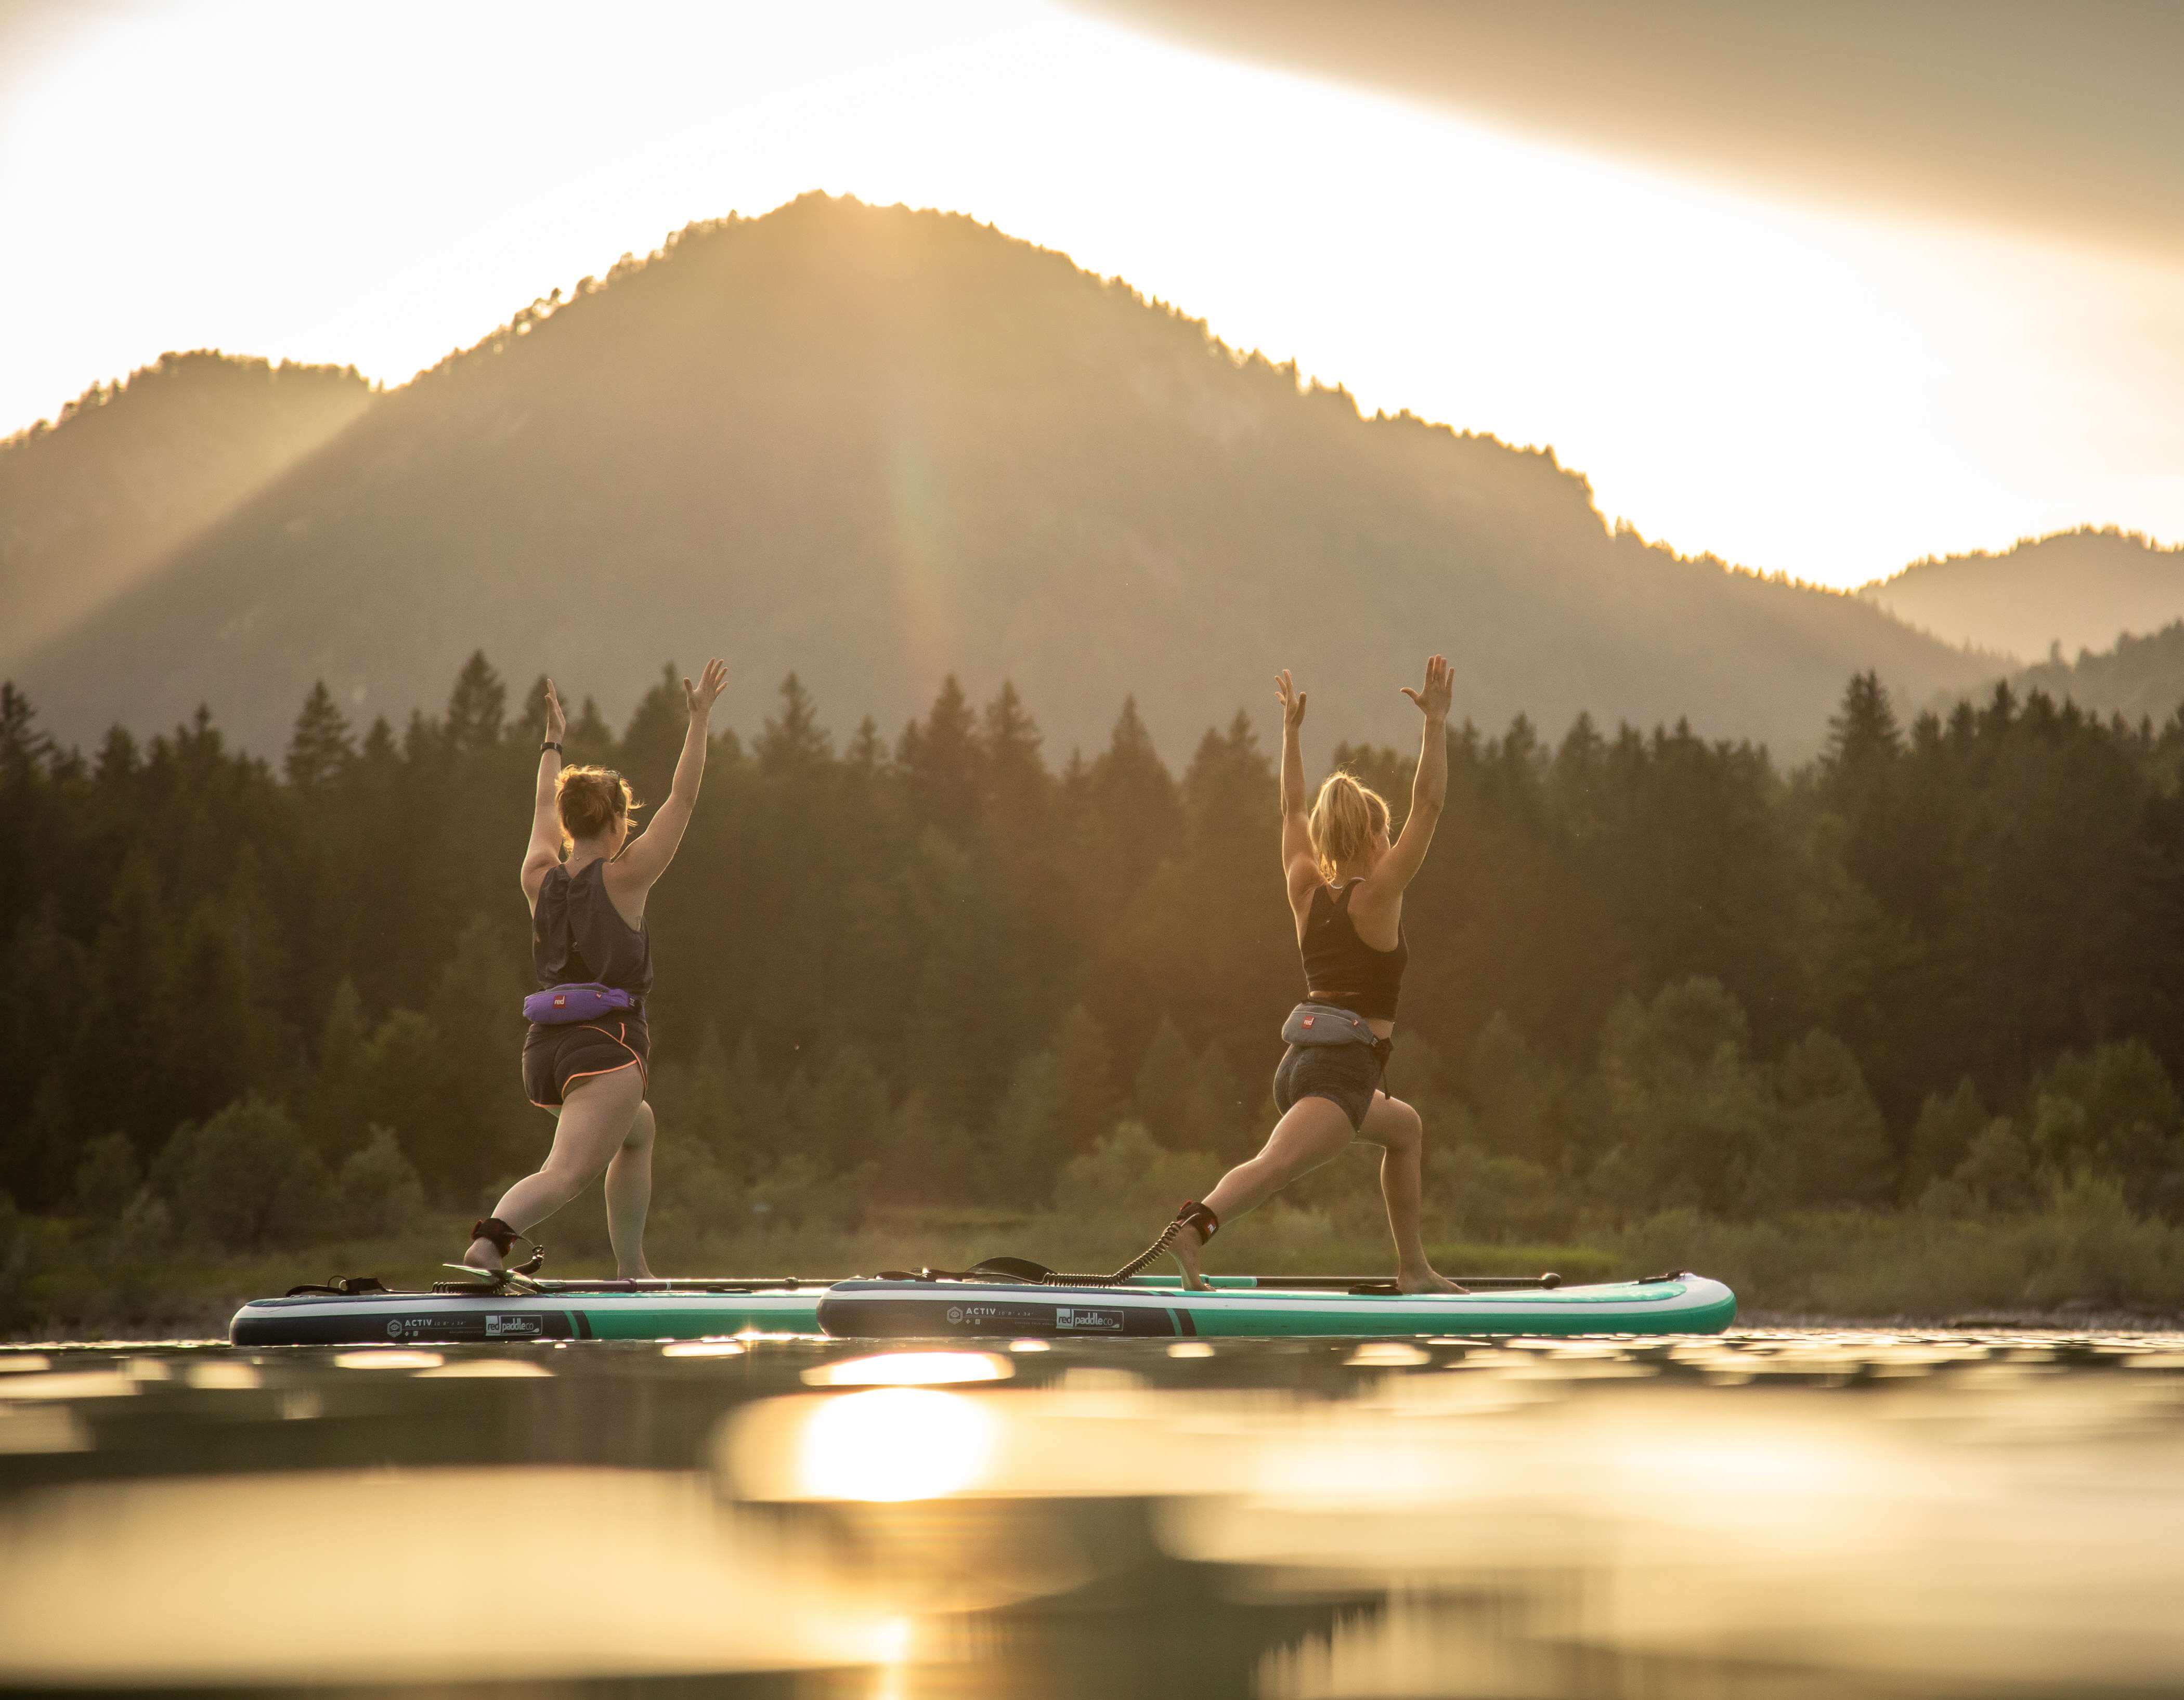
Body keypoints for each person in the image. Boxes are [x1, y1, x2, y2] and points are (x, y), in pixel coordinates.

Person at [1163, 656, 1462, 1293]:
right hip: (1340, 1072)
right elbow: (1430, 804)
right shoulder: (1378, 897)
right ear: (1376, 837)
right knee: (1272, 1168)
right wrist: (1435, 724)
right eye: (1386, 833)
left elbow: (1290, 806)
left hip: (1305, 1060)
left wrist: (1292, 734)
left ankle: (1414, 1269)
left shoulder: (1305, 885)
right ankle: (1196, 1226)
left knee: (1404, 1130)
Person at [460, 659, 728, 1278]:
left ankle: (633, 1268)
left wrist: (553, 743)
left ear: (570, 823)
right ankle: (491, 1241)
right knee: (566, 1173)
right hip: (605, 1051)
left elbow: (538, 813)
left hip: (544, 1054)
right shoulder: (628, 877)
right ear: (614, 821)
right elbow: (683, 798)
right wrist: (700, 719)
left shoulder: (537, 878)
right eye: (626, 817)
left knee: (638, 1129)